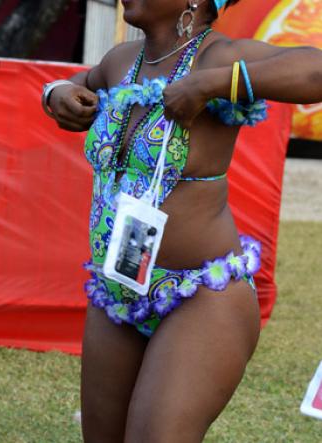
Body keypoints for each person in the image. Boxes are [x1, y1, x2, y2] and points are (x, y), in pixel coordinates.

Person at [42, 0, 322, 441]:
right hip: (118, 291)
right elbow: (76, 83)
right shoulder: (121, 61)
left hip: (202, 299)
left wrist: (210, 85)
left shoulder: (218, 57)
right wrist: (56, 93)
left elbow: (316, 71)